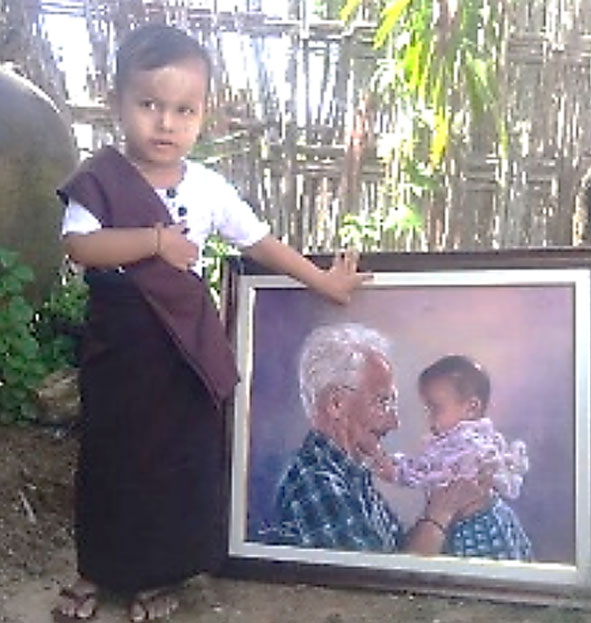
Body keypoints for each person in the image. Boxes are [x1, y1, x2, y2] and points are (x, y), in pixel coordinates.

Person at [52, 24, 368, 623]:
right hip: (120, 346)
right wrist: (152, 241)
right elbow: (80, 247)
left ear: (203, 115)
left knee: (174, 459)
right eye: (149, 104)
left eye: (183, 109)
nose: (165, 122)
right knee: (111, 458)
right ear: (117, 100)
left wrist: (322, 280)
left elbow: (259, 242)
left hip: (182, 350)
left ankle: (154, 576)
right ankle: (95, 569)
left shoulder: (207, 187)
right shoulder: (100, 179)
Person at [270, 324, 487, 555]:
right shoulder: (316, 484)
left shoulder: (354, 476)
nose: (394, 422)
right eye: (383, 402)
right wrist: (439, 514)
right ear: (336, 404)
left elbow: (396, 553)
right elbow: (386, 582)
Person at [370, 355, 533, 561]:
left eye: (435, 408)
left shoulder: (471, 445)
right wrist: (399, 468)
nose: (429, 419)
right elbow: (427, 466)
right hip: (458, 523)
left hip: (477, 525)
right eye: (427, 409)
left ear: (471, 408)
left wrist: (399, 473)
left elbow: (436, 476)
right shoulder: (450, 442)